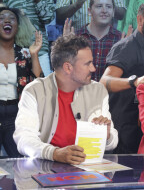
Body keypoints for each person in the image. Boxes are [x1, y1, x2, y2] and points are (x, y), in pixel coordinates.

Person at [13, 34, 118, 164]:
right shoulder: (34, 91)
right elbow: (23, 139)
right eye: (88, 64)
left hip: (86, 173)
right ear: (68, 67)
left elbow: (112, 143)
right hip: (45, 170)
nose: (93, 68)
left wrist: (106, 136)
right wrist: (54, 153)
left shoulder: (98, 91)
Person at [100, 1, 144, 154]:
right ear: (140, 20)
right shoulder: (126, 46)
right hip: (124, 129)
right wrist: (135, 81)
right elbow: (104, 82)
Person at [0, 7, 43, 157]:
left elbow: (39, 84)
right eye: (2, 18)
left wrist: (34, 55)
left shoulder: (24, 53)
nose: (7, 20)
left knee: (20, 163)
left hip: (15, 116)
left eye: (12, 18)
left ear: (17, 26)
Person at [64, 0, 122, 81]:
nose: (104, 11)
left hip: (108, 94)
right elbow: (64, 74)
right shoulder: (76, 37)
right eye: (99, 6)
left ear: (113, 12)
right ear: (89, 11)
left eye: (108, 7)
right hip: (80, 92)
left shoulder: (120, 39)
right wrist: (65, 49)